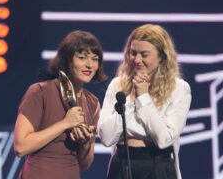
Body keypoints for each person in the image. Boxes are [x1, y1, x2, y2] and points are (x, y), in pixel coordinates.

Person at [97, 24, 192, 179]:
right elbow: (106, 138)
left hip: (157, 165)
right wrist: (131, 98)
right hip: (122, 164)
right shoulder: (117, 85)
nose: (137, 60)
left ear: (161, 56)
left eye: (144, 54)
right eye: (133, 53)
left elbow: (163, 140)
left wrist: (143, 97)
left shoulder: (179, 89)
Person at [14, 30, 107, 179]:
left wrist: (84, 144)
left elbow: (84, 165)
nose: (89, 65)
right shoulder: (40, 92)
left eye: (95, 59)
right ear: (67, 60)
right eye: (82, 58)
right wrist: (64, 123)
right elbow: (20, 147)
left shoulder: (92, 103)